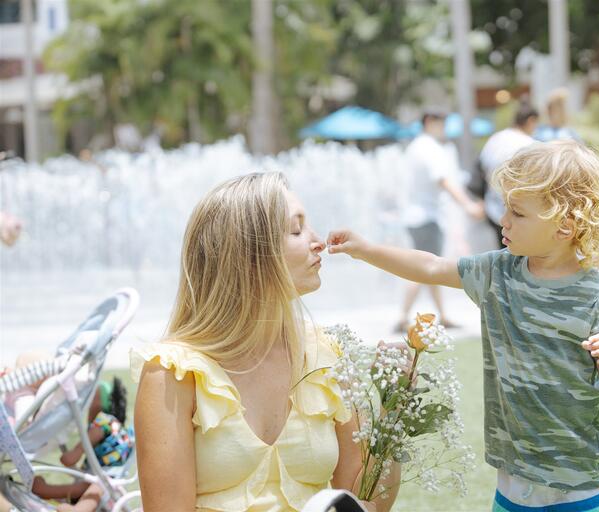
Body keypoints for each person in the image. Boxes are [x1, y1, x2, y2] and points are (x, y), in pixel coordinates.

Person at [328, 141, 599, 512]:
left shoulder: (594, 294)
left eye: (517, 213)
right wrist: (366, 250)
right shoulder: (495, 274)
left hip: (581, 483)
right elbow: (432, 266)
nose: (503, 220)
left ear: (565, 225)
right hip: (514, 479)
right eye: (505, 207)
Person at [130, 173, 399, 512]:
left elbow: (365, 501)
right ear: (250, 254)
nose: (318, 242)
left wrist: (394, 410)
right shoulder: (172, 373)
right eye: (296, 230)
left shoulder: (327, 354)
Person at [397, 110, 485, 331]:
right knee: (423, 269)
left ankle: (442, 315)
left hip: (416, 217)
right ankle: (402, 316)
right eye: (442, 124)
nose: (444, 129)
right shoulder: (429, 147)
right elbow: (443, 180)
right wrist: (467, 205)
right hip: (427, 218)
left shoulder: (416, 146)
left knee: (429, 267)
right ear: (429, 122)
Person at [31, 378, 133, 512]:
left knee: (91, 487)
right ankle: (51, 494)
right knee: (88, 486)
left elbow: (74, 456)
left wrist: (69, 456)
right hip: (112, 478)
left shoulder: (102, 421)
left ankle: (50, 493)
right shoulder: (116, 426)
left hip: (104, 480)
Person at [478, 101, 539, 248]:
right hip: (518, 212)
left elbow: (481, 167)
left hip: (493, 207)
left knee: (502, 253)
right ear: (531, 121)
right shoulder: (529, 145)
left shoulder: (495, 138)